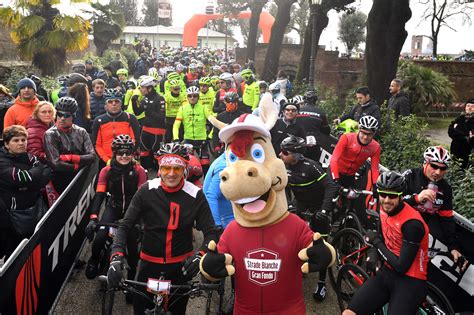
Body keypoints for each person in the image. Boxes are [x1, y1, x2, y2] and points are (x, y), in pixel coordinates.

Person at [107, 142, 217, 314]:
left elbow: (211, 232)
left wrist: (200, 256)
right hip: (148, 265)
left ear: (185, 168)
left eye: (177, 168)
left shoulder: (195, 194)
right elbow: (124, 226)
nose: (171, 174)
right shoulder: (146, 190)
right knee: (140, 310)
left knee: (177, 311)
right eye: (166, 168)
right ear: (159, 167)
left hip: (180, 267)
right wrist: (116, 257)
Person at [343, 171, 429, 315]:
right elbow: (381, 236)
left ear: (401, 196)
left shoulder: (412, 224)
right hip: (388, 272)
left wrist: (376, 244)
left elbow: (401, 266)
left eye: (393, 196)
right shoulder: (383, 208)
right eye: (383, 194)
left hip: (410, 281)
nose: (387, 200)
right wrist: (373, 253)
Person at [85, 135, 146, 282]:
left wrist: (144, 221)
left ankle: (132, 277)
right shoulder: (106, 171)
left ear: (133, 153)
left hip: (133, 210)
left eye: (128, 152)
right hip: (113, 207)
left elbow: (144, 199)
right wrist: (93, 218)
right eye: (120, 152)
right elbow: (99, 195)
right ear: (114, 153)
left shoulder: (139, 171)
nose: (124, 156)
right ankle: (94, 260)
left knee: (132, 246)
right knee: (100, 237)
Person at [403, 146, 468, 271]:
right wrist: (416, 198)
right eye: (434, 166)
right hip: (396, 226)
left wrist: (453, 247)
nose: (438, 172)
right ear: (425, 163)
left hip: (417, 234)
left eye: (443, 168)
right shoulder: (411, 175)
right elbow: (390, 202)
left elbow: (447, 219)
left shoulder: (445, 189)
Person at [0, 125, 51, 260]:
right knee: (13, 254)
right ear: (6, 144)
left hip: (34, 210)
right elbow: (23, 178)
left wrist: (31, 183)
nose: (21, 143)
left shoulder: (28, 156)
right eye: (16, 140)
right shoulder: (2, 161)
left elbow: (46, 169)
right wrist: (32, 177)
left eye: (23, 140)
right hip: (12, 217)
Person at [329, 115, 381, 223]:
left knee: (353, 201)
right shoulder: (347, 138)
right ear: (359, 130)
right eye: (363, 133)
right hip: (335, 172)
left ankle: (343, 225)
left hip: (350, 175)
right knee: (329, 199)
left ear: (374, 133)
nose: (366, 137)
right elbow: (334, 159)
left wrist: (375, 186)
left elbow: (375, 168)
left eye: (369, 134)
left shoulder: (375, 147)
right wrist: (336, 180)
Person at [43, 97, 97, 194]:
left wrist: (70, 157)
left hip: (80, 176)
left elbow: (92, 156)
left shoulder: (81, 131)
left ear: (73, 116)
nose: (62, 118)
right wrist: (76, 166)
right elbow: (56, 164)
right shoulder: (50, 134)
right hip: (60, 178)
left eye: (67, 115)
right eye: (60, 114)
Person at [91, 90, 140, 167]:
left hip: (126, 158)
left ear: (121, 104)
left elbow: (135, 141)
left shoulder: (131, 118)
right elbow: (96, 145)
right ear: (105, 105)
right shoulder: (98, 121)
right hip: (106, 161)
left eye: (117, 101)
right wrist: (107, 160)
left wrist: (126, 156)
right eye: (110, 102)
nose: (114, 104)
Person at [173, 86, 211, 174]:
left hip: (202, 139)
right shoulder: (182, 108)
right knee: (185, 163)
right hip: (188, 139)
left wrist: (209, 137)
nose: (192, 98)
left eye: (195, 96)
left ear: (198, 97)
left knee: (205, 164)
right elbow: (176, 125)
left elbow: (213, 122)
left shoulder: (203, 108)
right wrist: (176, 139)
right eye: (190, 96)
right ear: (187, 97)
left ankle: (206, 184)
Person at [133, 76, 166, 170]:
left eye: (142, 87)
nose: (141, 89)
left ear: (149, 88)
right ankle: (145, 169)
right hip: (145, 128)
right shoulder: (145, 99)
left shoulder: (160, 99)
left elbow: (161, 117)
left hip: (157, 130)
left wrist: (149, 110)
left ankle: (159, 171)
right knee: (144, 151)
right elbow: (138, 112)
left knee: (157, 152)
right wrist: (134, 101)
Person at [448, 98, 473, 168]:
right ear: (465, 107)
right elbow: (450, 131)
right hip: (455, 150)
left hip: (468, 152)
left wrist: (457, 130)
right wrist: (466, 136)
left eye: (472, 106)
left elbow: (472, 137)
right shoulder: (460, 118)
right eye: (468, 106)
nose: (470, 108)